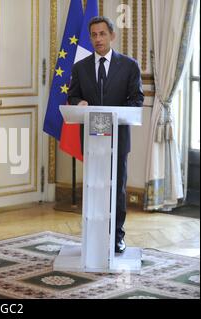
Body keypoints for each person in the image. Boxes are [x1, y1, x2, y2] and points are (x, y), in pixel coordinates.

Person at [68, 16, 144, 254]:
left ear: (112, 35)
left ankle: (117, 236)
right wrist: (79, 102)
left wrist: (116, 112)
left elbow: (137, 99)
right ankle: (94, 234)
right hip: (92, 137)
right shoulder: (80, 67)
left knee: (117, 187)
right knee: (95, 186)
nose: (98, 39)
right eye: (94, 35)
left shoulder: (129, 65)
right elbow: (72, 96)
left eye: (102, 34)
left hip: (118, 136)